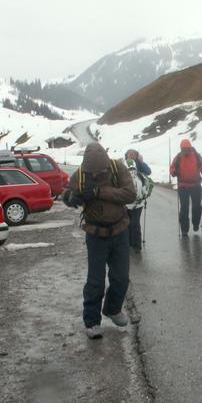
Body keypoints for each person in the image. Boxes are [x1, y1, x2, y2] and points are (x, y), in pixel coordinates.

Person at [65, 143, 136, 339]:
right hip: (95, 235)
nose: (95, 174)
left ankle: (112, 309)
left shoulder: (117, 168)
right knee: (95, 281)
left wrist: (98, 192)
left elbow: (130, 194)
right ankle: (92, 322)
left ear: (105, 164)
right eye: (92, 172)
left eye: (99, 171)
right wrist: (71, 198)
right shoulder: (80, 174)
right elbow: (67, 192)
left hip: (120, 231)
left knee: (121, 278)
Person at [170, 139, 202, 236]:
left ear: (190, 148)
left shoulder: (196, 156)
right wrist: (174, 172)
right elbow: (172, 167)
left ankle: (195, 223)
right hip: (183, 186)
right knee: (184, 208)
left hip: (195, 185)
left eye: (187, 149)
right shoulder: (178, 157)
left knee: (197, 206)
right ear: (181, 149)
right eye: (184, 149)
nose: (185, 151)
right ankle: (184, 229)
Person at [125, 158, 149, 253]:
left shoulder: (141, 177)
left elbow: (145, 189)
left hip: (138, 205)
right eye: (129, 169)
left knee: (135, 223)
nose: (131, 171)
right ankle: (129, 243)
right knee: (127, 224)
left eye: (133, 169)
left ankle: (137, 245)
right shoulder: (122, 179)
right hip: (126, 206)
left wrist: (144, 195)